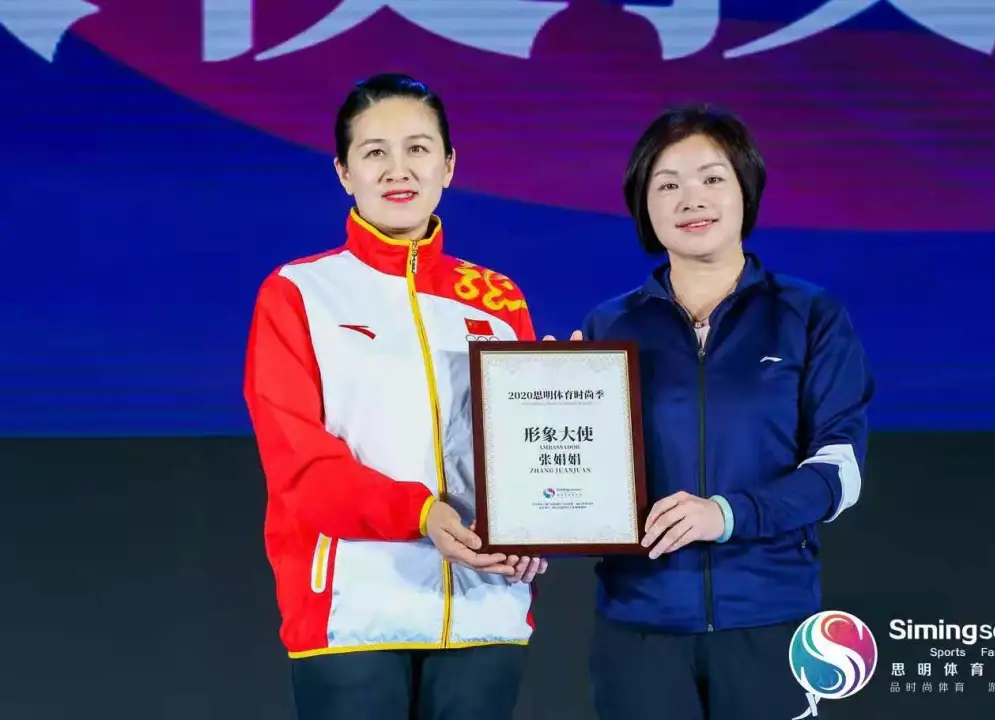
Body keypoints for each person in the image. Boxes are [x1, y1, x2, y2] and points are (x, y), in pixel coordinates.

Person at [242, 73, 547, 720]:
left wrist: (542, 511)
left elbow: (520, 454)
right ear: (344, 172)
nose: (397, 168)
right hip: (353, 612)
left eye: (418, 148)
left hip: (486, 607)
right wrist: (422, 513)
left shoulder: (497, 299)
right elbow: (299, 462)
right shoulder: (299, 293)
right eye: (374, 151)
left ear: (449, 165)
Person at [574, 106, 874, 719]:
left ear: (745, 190)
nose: (691, 199)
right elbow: (588, 484)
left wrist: (727, 514)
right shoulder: (609, 326)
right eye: (667, 185)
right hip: (640, 627)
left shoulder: (808, 315)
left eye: (712, 178)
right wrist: (547, 407)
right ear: (644, 207)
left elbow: (839, 473)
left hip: (772, 621)